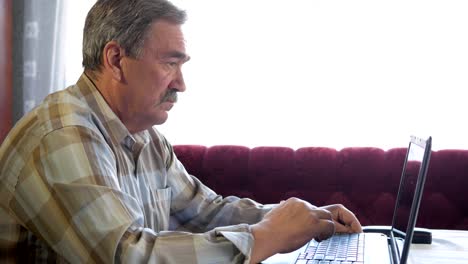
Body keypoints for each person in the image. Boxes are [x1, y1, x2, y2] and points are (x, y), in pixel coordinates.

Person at [0, 0, 362, 263]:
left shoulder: (144, 135)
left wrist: (302, 218)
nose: (181, 84)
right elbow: (128, 257)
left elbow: (205, 211)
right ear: (115, 60)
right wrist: (265, 238)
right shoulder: (62, 135)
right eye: (169, 63)